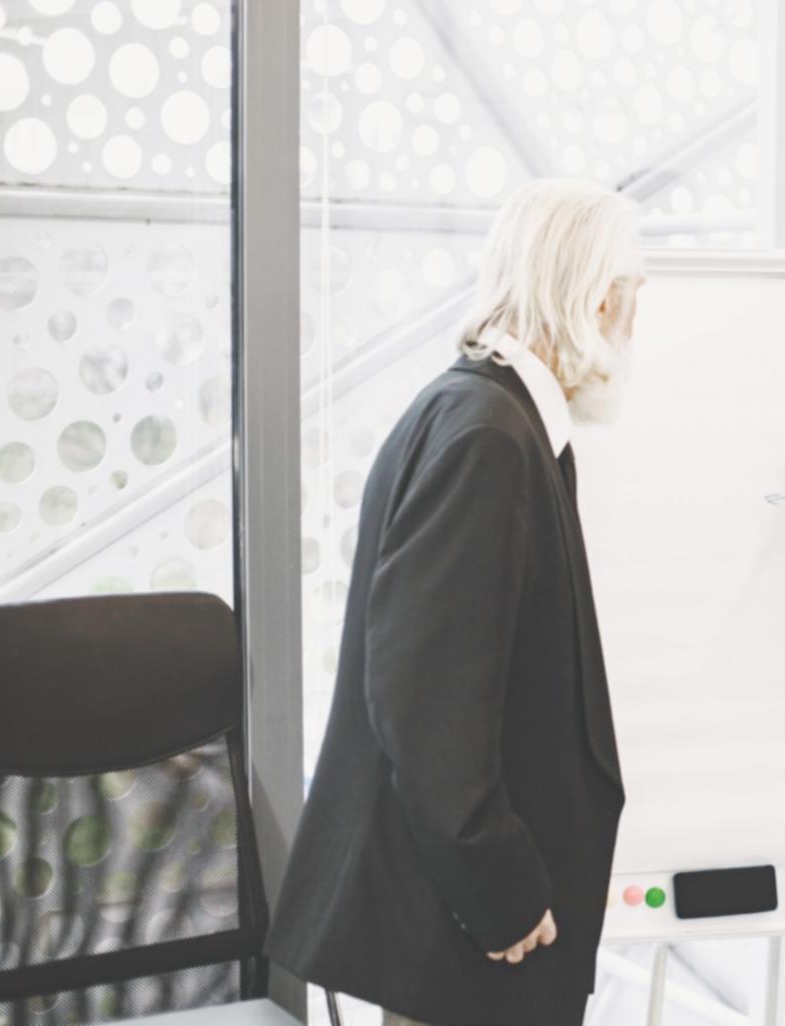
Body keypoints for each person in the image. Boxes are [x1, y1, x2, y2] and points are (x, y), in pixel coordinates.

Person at [266, 179, 644, 1026]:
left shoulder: (484, 415)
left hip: (463, 928)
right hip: (472, 935)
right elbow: (424, 705)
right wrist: (502, 892)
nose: (635, 323)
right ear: (593, 300)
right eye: (633, 296)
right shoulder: (487, 438)